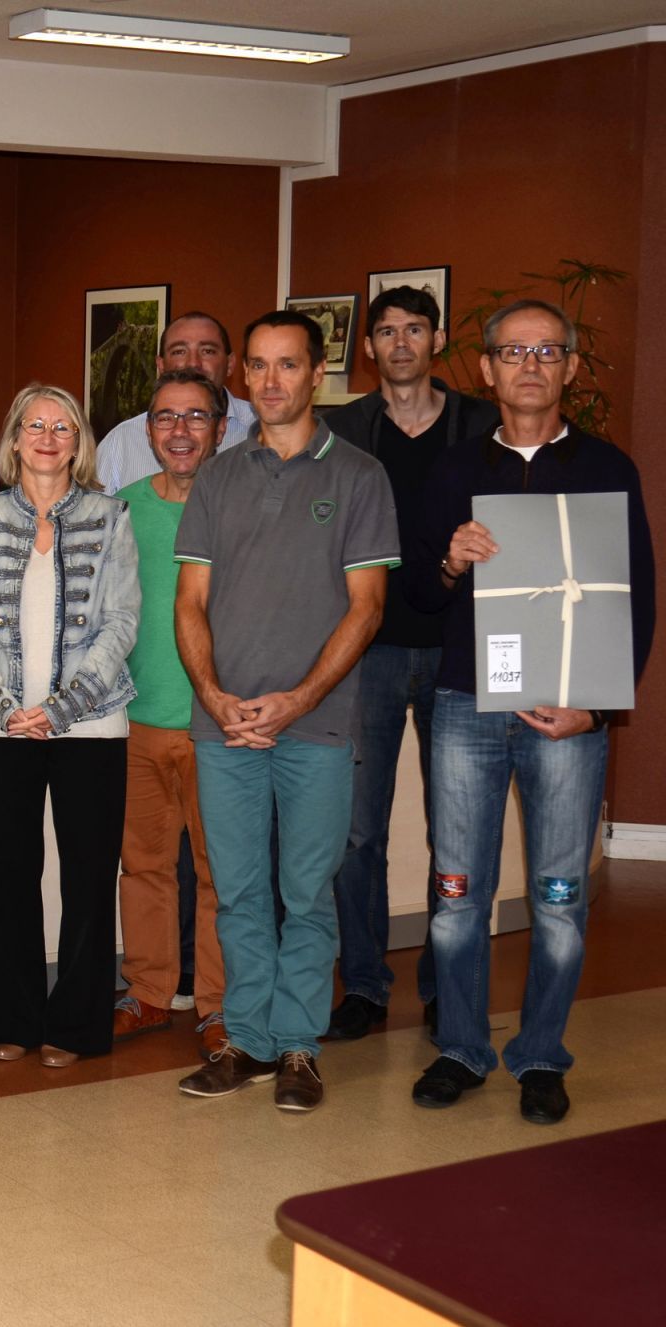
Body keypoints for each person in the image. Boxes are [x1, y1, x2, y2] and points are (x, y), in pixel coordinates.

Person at [407, 298, 655, 1125]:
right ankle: (461, 1048)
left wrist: (598, 709)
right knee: (457, 893)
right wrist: (451, 560)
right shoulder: (451, 470)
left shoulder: (608, 468)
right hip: (464, 704)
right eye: (513, 352)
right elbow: (417, 594)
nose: (530, 365)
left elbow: (637, 597)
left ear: (570, 367)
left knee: (558, 898)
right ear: (486, 368)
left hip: (566, 715)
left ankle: (542, 1054)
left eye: (548, 351)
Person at [173, 311, 399, 1113]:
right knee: (237, 893)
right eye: (260, 366)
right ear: (244, 376)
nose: (272, 381)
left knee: (307, 893)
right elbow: (190, 601)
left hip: (318, 725)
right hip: (226, 726)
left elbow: (367, 608)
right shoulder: (218, 477)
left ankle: (299, 1044)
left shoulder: (360, 476)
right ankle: (248, 1041)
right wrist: (214, 696)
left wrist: (298, 699)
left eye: (289, 365)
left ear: (318, 372)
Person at [320, 287, 500, 1041]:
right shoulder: (341, 429)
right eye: (386, 331)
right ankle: (364, 984)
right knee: (357, 832)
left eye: (414, 329)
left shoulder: (481, 424)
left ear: (438, 339)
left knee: (452, 831)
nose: (400, 343)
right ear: (368, 347)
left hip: (459, 650)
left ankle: (441, 985)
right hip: (367, 650)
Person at [0, 385, 137, 1068]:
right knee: (9, 875)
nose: (46, 436)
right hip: (2, 725)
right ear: (14, 440)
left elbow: (121, 621)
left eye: (61, 426)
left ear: (78, 443)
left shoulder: (111, 515)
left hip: (91, 725)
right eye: (33, 424)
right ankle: (11, 1017)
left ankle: (77, 1024)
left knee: (88, 880)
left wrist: (63, 707)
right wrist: (1, 702)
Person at [113, 370, 231, 1059]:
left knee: (221, 875)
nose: (180, 431)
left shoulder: (242, 504)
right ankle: (151, 992)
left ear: (221, 428)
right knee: (145, 867)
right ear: (148, 429)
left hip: (218, 724)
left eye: (196, 417)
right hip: (137, 721)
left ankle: (218, 1004)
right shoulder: (122, 509)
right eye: (165, 417)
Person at [94, 312, 256, 495]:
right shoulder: (121, 443)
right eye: (179, 352)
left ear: (230, 364)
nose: (193, 363)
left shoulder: (260, 432)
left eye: (207, 351)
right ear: (160, 365)